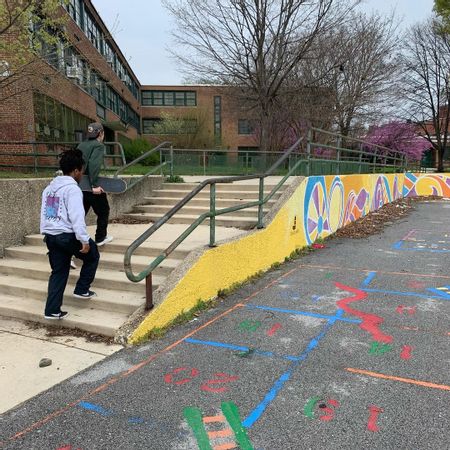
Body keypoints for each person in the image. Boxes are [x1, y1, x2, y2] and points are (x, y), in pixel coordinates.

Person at [40, 149, 100, 319]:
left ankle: (52, 310)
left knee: (59, 271)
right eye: (81, 171)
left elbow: (47, 214)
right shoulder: (72, 189)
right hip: (67, 235)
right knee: (93, 255)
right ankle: (82, 289)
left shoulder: (49, 189)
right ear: (75, 171)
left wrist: (46, 233)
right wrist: (84, 240)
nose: (81, 174)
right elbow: (77, 217)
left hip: (51, 236)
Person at [77, 122, 113, 246]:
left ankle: (73, 241)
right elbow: (94, 165)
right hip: (91, 185)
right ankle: (100, 237)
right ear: (100, 133)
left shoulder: (81, 144)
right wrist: (94, 185)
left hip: (80, 184)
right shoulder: (98, 145)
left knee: (80, 214)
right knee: (103, 211)